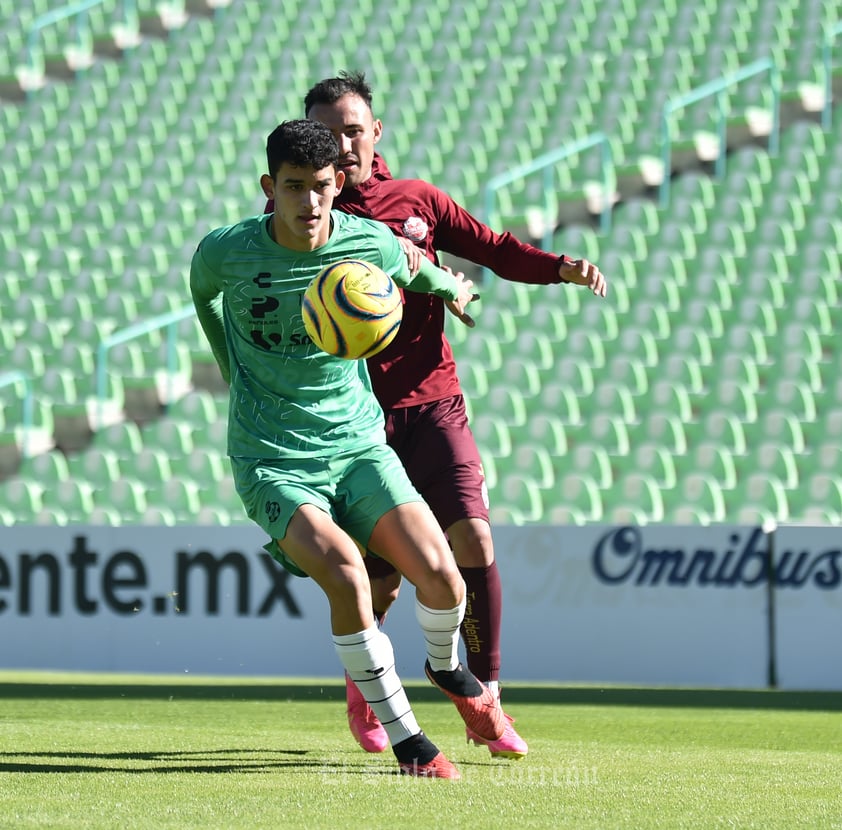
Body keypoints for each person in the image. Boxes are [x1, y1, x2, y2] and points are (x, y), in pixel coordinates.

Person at [284, 71, 609, 760]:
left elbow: (491, 248)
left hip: (434, 405)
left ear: (377, 133)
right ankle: (365, 688)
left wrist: (559, 267)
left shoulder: (419, 201)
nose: (343, 144)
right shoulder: (307, 224)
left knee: (476, 545)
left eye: (353, 128)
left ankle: (484, 695)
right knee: (382, 582)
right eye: (329, 132)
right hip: (356, 423)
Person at [190, 118, 505, 780]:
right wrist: (232, 367)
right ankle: (409, 742)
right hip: (272, 457)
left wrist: (455, 288)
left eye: (323, 189)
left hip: (359, 447)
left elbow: (417, 270)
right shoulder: (226, 252)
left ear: (340, 186)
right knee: (346, 571)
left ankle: (445, 666)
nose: (309, 204)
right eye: (295, 188)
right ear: (268, 187)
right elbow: (204, 295)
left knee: (444, 577)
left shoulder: (368, 244)